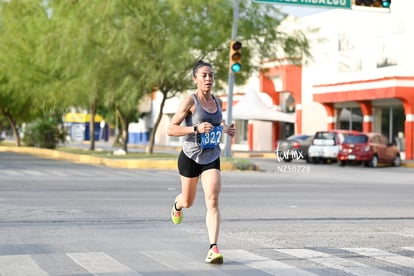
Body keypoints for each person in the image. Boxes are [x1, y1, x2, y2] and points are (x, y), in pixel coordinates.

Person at [167, 60, 235, 264]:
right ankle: (177, 205)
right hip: (190, 156)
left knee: (212, 199)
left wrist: (225, 129)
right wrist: (195, 129)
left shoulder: (218, 102)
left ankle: (213, 247)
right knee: (188, 201)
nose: (208, 79)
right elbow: (171, 129)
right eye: (204, 75)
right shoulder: (190, 101)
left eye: (211, 75)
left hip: (211, 156)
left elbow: (216, 123)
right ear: (195, 79)